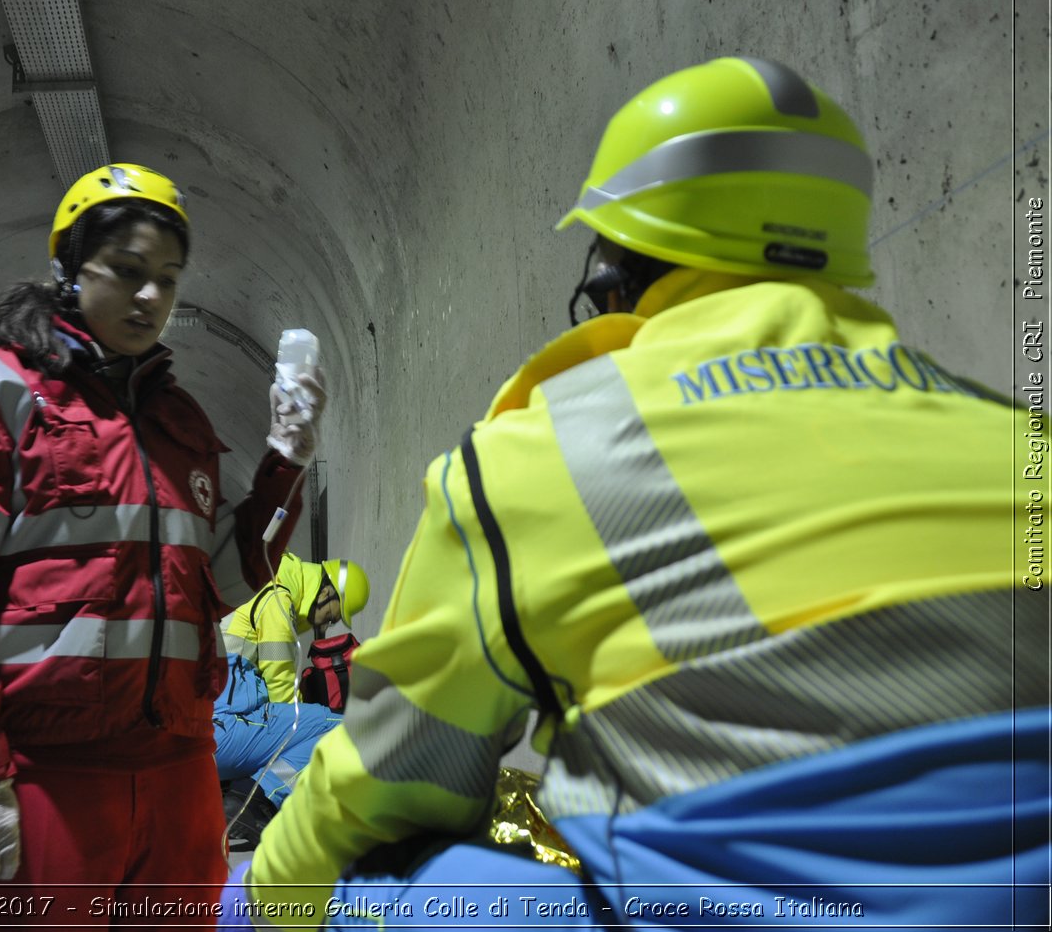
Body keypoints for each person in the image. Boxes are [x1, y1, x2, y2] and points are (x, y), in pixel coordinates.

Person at [221, 57, 1049, 930]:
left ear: (620, 263)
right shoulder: (1013, 436)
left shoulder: (539, 458)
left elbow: (392, 773)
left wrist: (267, 899)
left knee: (360, 874)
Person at [0, 162, 323, 929]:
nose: (150, 295)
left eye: (168, 277)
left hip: (178, 767)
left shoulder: (179, 422)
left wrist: (285, 459)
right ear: (67, 269)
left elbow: (214, 585)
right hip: (47, 768)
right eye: (126, 271)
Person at [216, 555, 368, 827]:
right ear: (325, 592)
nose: (327, 624)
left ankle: (244, 792)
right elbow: (281, 686)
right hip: (222, 723)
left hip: (209, 717)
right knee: (340, 727)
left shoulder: (263, 578)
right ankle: (257, 798)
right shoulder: (277, 599)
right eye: (332, 614)